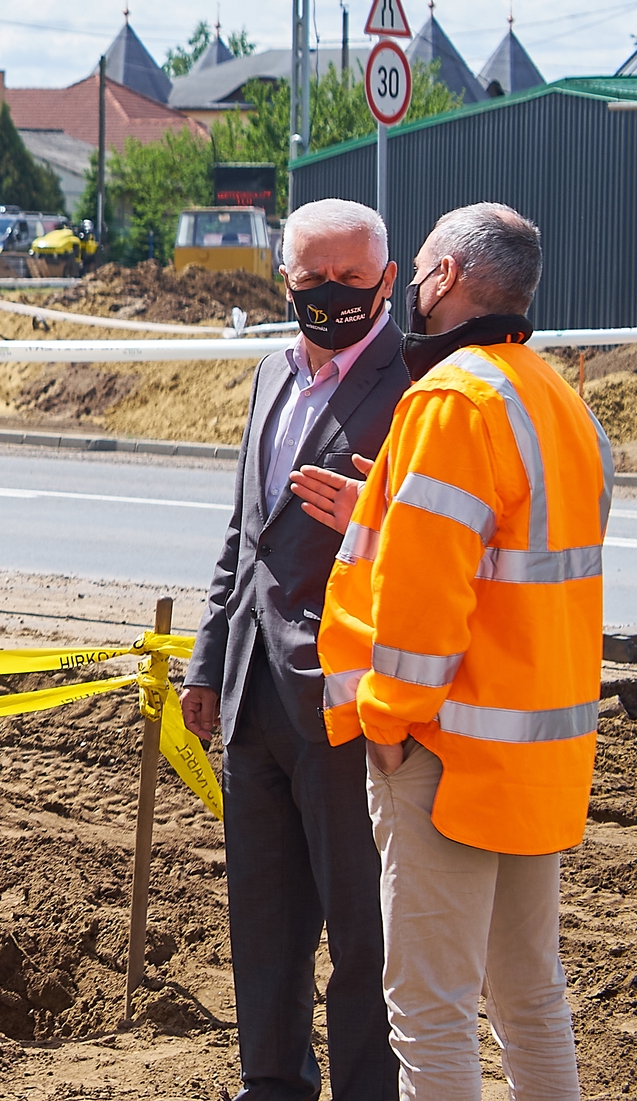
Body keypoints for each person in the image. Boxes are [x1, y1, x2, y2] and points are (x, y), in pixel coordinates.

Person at [304, 204, 610, 1101]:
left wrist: (389, 720)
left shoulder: (450, 399)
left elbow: (424, 597)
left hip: (446, 754)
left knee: (430, 1010)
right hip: (535, 756)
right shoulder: (557, 400)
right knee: (529, 996)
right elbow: (512, 559)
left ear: (441, 278)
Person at [178, 198, 409, 1101]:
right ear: (285, 280)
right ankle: (271, 1079)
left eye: (351, 279)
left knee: (361, 927)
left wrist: (374, 523)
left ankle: (362, 1088)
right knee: (264, 917)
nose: (331, 295)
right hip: (250, 695)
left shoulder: (415, 386)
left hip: (350, 700)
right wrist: (207, 659)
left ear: (387, 280)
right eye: (312, 279)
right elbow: (245, 530)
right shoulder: (273, 372)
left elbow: (446, 547)